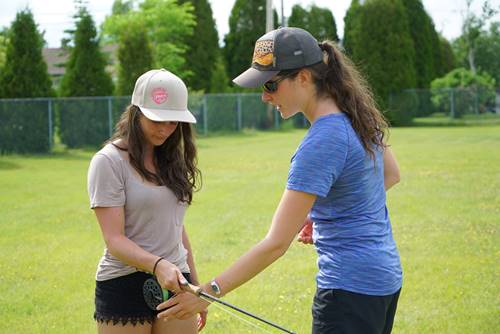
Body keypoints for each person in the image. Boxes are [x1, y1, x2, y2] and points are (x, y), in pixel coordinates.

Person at [157, 27, 402, 334]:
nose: (264, 96)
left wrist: (209, 292)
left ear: (303, 77)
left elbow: (275, 243)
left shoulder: (321, 141)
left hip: (349, 289)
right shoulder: (357, 116)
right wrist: (320, 213)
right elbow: (390, 174)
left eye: (271, 84)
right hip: (385, 280)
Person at [87, 69, 207, 334]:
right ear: (136, 113)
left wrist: (196, 286)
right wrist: (157, 264)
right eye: (157, 120)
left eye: (173, 121)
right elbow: (114, 240)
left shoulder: (172, 161)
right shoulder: (108, 162)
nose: (166, 129)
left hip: (176, 281)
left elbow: (175, 227)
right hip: (123, 283)